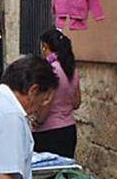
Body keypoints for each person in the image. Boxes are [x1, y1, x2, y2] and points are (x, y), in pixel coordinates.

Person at [32, 28, 81, 158]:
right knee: (63, 174)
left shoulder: (49, 70)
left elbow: (47, 101)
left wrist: (38, 121)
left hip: (48, 131)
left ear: (45, 46)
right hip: (69, 129)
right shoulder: (72, 69)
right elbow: (76, 102)